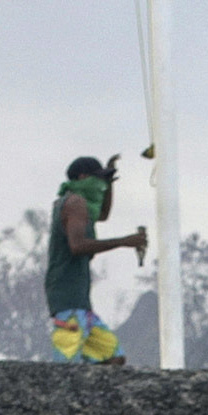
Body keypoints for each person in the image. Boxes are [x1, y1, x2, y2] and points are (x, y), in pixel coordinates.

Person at [44, 154, 147, 365]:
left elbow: (103, 213)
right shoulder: (74, 204)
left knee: (112, 357)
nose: (100, 185)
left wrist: (109, 186)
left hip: (80, 300)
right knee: (63, 367)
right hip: (67, 297)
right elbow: (78, 246)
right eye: (98, 180)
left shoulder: (81, 206)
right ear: (82, 178)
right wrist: (124, 241)